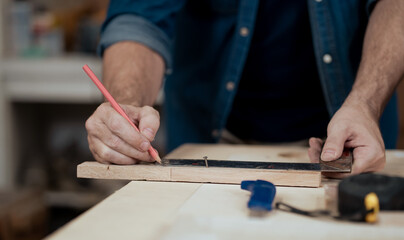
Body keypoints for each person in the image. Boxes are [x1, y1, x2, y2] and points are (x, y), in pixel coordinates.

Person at [85, 0, 404, 178]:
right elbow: (140, 17)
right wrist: (126, 104)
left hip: (350, 142)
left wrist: (365, 102)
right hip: (208, 142)